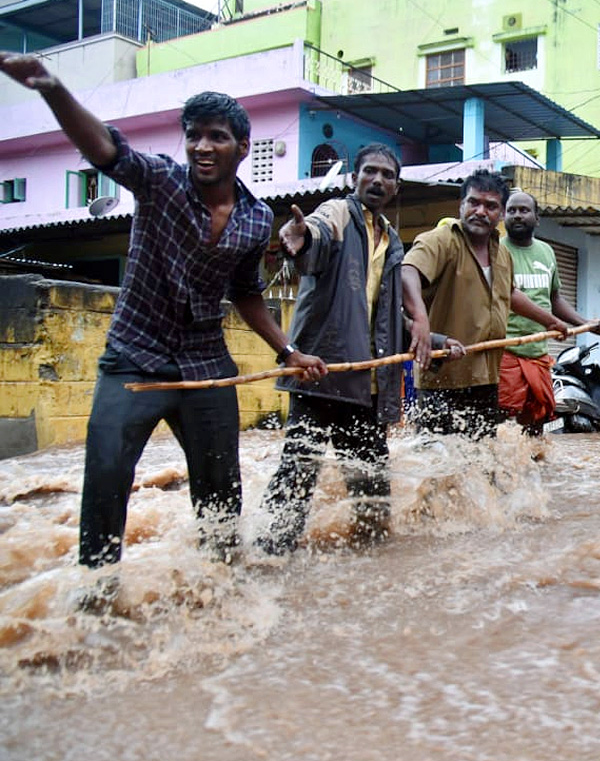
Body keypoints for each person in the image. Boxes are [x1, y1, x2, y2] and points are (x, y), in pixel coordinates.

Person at [0, 52, 326, 568]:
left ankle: (221, 585)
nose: (201, 146)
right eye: (193, 134)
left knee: (221, 489)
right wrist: (51, 87)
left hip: (204, 363)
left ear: (242, 147)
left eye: (216, 136)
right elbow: (106, 150)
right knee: (106, 476)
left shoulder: (254, 217)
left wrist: (288, 350)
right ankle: (97, 593)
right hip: (133, 358)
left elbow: (245, 291)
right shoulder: (159, 182)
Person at [257, 145, 464, 555]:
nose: (378, 180)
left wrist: (435, 341)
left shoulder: (390, 241)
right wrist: (299, 239)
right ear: (354, 178)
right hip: (320, 375)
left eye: (387, 175)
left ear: (396, 187)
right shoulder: (336, 213)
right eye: (369, 171)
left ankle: (372, 566)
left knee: (371, 486)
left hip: (366, 387)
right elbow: (313, 234)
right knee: (297, 476)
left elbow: (388, 319)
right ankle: (269, 557)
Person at [401, 171, 569, 439]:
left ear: (500, 214)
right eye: (474, 203)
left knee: (481, 462)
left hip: (486, 379)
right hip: (443, 376)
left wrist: (549, 320)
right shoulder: (442, 240)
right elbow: (408, 271)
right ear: (461, 206)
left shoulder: (502, 254)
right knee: (435, 465)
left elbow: (510, 294)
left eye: (490, 206)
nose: (480, 211)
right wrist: (420, 320)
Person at [498, 191, 600, 435]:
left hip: (538, 352)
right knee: (506, 419)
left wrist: (587, 324)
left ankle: (535, 465)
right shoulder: (495, 250)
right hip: (505, 352)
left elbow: (555, 298)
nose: (517, 215)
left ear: (537, 218)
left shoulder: (546, 252)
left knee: (538, 416)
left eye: (524, 210)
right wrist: (553, 322)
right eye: (511, 210)